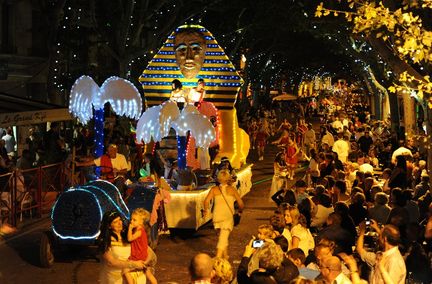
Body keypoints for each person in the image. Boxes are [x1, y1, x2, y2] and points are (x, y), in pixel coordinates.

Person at [203, 169, 244, 259]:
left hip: (217, 215)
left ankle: (225, 256)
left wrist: (206, 211)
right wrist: (240, 211)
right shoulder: (232, 189)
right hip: (227, 216)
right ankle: (218, 257)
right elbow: (241, 203)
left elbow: (206, 201)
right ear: (228, 178)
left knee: (222, 236)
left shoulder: (214, 189)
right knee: (223, 237)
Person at [98, 211, 147, 284]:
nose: (119, 223)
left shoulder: (129, 234)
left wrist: (144, 262)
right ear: (109, 226)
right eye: (115, 222)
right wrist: (133, 264)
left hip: (135, 274)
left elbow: (146, 249)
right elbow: (111, 262)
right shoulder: (105, 240)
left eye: (120, 220)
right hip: (116, 278)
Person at [123, 208, 157, 284]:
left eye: (134, 220)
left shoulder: (139, 231)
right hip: (144, 256)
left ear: (141, 222)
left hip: (138, 256)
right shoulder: (141, 230)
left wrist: (129, 228)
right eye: (131, 219)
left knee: (125, 270)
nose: (131, 222)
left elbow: (129, 238)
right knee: (148, 274)